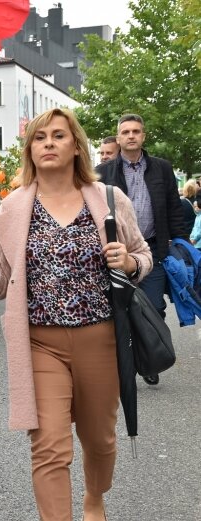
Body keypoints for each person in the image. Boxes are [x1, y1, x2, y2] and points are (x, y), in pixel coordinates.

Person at [0, 107, 152, 521]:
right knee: (49, 445)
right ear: (30, 150)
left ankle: (95, 499)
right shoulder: (12, 209)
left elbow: (143, 255)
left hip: (100, 338)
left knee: (99, 441)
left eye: (59, 136)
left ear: (75, 146)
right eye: (40, 137)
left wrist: (130, 263)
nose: (49, 142)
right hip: (40, 343)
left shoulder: (109, 199)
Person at [96, 113, 185, 386]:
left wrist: (180, 243)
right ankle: (123, 358)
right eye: (126, 132)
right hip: (115, 253)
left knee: (155, 307)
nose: (131, 135)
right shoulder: (103, 172)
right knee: (117, 309)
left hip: (154, 250)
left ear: (143, 136)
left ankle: (147, 357)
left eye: (136, 131)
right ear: (119, 137)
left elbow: (174, 208)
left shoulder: (162, 168)